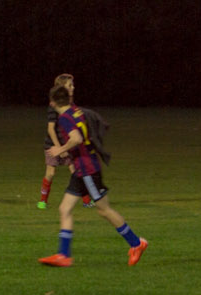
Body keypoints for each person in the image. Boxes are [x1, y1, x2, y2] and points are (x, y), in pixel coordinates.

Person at [38, 87, 147, 268]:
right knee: (64, 209)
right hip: (82, 170)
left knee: (104, 210)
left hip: (87, 170)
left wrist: (60, 149)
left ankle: (136, 243)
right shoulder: (75, 111)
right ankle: (64, 255)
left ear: (53, 103)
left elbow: (77, 138)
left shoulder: (65, 118)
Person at [39, 73, 74, 207]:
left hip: (67, 145)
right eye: (70, 85)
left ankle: (87, 201)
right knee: (50, 173)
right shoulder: (54, 106)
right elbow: (51, 129)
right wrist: (59, 148)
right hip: (53, 145)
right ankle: (42, 201)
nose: (73, 87)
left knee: (76, 171)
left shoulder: (71, 106)